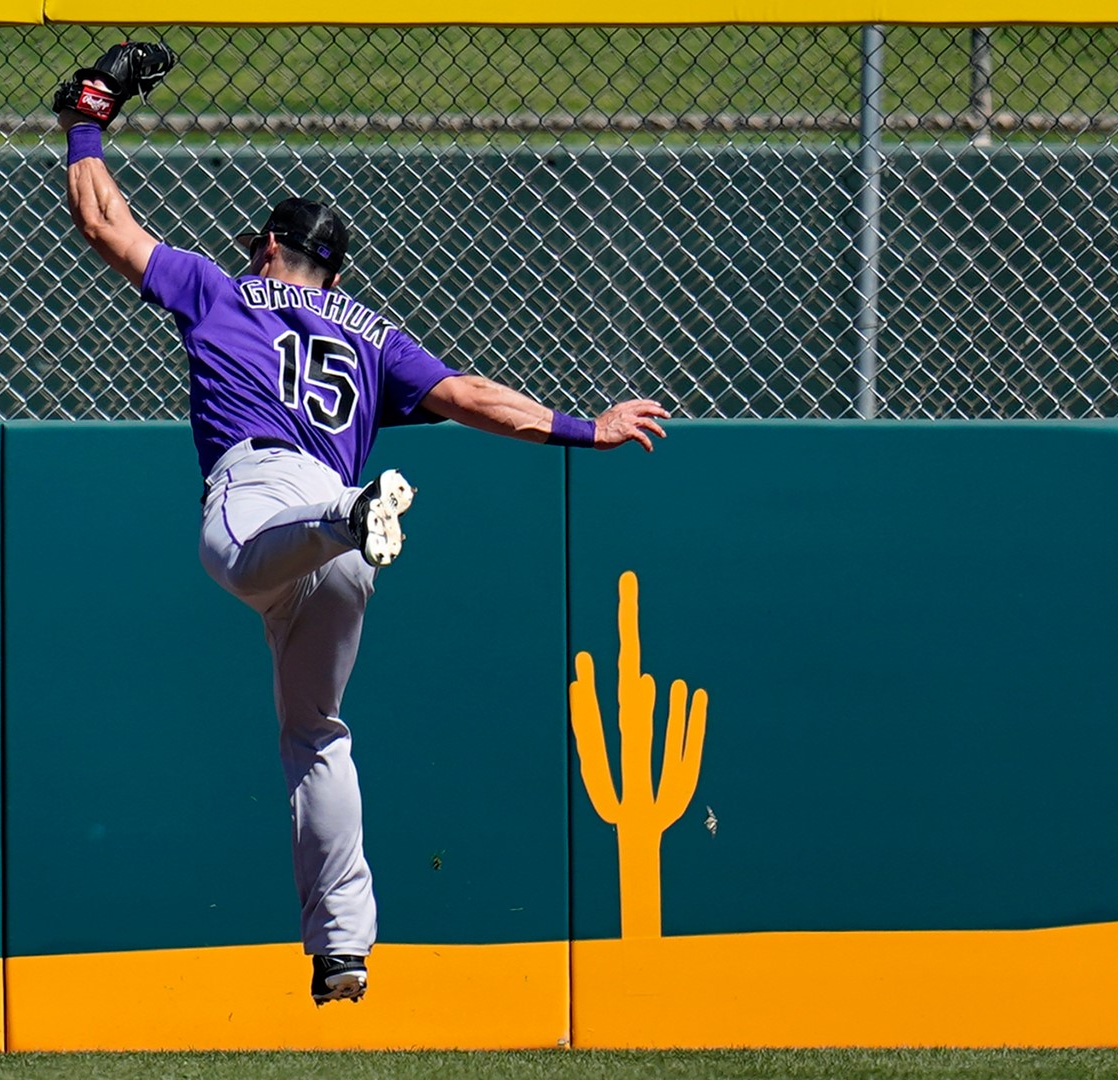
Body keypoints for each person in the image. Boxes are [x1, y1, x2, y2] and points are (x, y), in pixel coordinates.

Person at [51, 42, 670, 1006]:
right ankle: (343, 951)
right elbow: (469, 397)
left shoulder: (222, 291)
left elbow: (103, 219)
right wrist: (585, 428)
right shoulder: (372, 335)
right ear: (332, 278)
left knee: (229, 556)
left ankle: (346, 513)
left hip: (277, 495)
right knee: (318, 735)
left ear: (266, 250)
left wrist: (87, 116)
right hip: (341, 533)